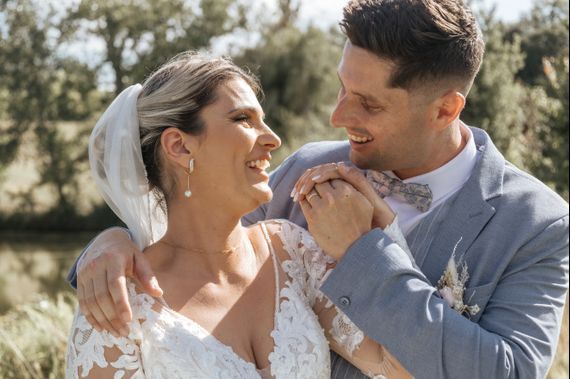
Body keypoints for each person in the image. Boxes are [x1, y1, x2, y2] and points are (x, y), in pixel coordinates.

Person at [68, 0, 569, 378]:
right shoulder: (309, 169)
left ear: (444, 110)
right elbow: (195, 241)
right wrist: (114, 241)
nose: (337, 117)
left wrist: (364, 252)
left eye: (367, 104)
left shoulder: (536, 223)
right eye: (342, 89)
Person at [65, 51, 413, 378]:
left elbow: (405, 365)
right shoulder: (117, 301)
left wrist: (381, 236)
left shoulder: (291, 250)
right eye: (243, 119)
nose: (273, 139)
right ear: (180, 146)